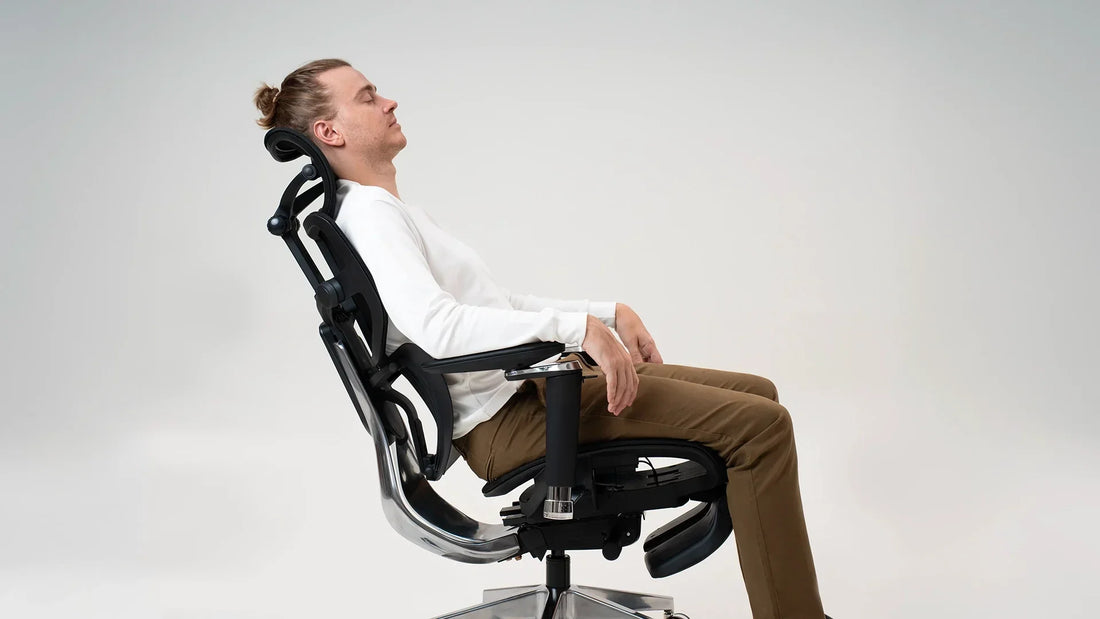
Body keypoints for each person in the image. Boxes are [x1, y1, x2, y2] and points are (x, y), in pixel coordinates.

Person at [255, 58, 829, 619]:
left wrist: (608, 313)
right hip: (510, 418)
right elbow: (438, 328)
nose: (389, 101)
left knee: (760, 393)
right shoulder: (373, 218)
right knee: (761, 429)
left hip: (530, 390)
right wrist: (577, 331)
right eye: (368, 96)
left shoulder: (386, 210)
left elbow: (501, 309)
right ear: (328, 132)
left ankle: (723, 516)